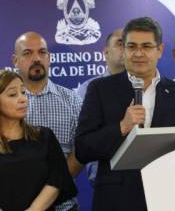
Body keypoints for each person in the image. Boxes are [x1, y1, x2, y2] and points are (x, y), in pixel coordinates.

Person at [75, 17, 175, 211]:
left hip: (169, 196)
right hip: (116, 200)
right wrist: (122, 127)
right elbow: (83, 149)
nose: (139, 53)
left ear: (159, 50)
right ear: (123, 50)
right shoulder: (100, 89)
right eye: (132, 46)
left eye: (147, 46)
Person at [12, 32, 83, 211]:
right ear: (15, 60)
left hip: (64, 205)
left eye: (42, 52)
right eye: (27, 53)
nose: (36, 58)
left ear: (49, 58)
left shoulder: (72, 100)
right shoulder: (4, 103)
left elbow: (82, 150)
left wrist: (54, 185)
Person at [0, 70, 77, 211]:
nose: (23, 98)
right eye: (12, 94)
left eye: (23, 92)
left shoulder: (45, 137)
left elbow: (57, 180)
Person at [77, 28, 125, 187]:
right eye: (120, 43)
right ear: (105, 52)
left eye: (129, 44)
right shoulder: (88, 89)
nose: (125, 48)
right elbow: (84, 140)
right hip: (105, 180)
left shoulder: (146, 87)